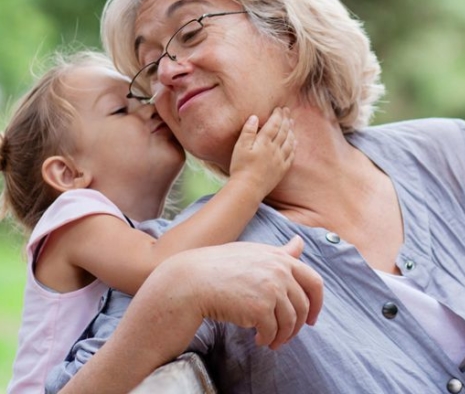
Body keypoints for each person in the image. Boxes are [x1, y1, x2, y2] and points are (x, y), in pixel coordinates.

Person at [53, 0, 465, 393]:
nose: (169, 74)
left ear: (288, 31)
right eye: (152, 66)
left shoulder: (449, 153)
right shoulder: (184, 254)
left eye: (191, 32)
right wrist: (177, 287)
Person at [0, 50, 299, 394]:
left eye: (141, 97)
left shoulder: (122, 231)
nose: (151, 106)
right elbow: (162, 269)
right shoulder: (72, 216)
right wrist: (250, 181)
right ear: (68, 173)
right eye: (120, 109)